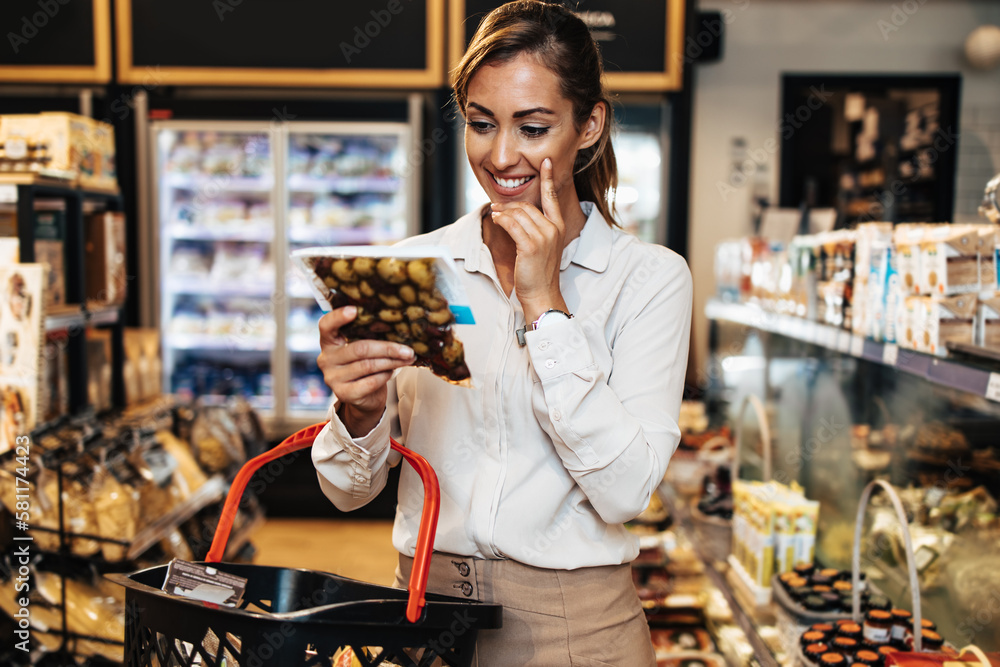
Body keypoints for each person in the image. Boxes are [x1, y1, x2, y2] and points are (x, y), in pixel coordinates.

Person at [312, 1, 692, 664]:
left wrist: (546, 307)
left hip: (577, 632)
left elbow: (626, 491)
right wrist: (359, 409)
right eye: (482, 124)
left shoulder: (649, 279)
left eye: (534, 127)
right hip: (424, 615)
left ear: (589, 125)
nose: (502, 154)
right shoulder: (416, 269)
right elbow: (347, 491)